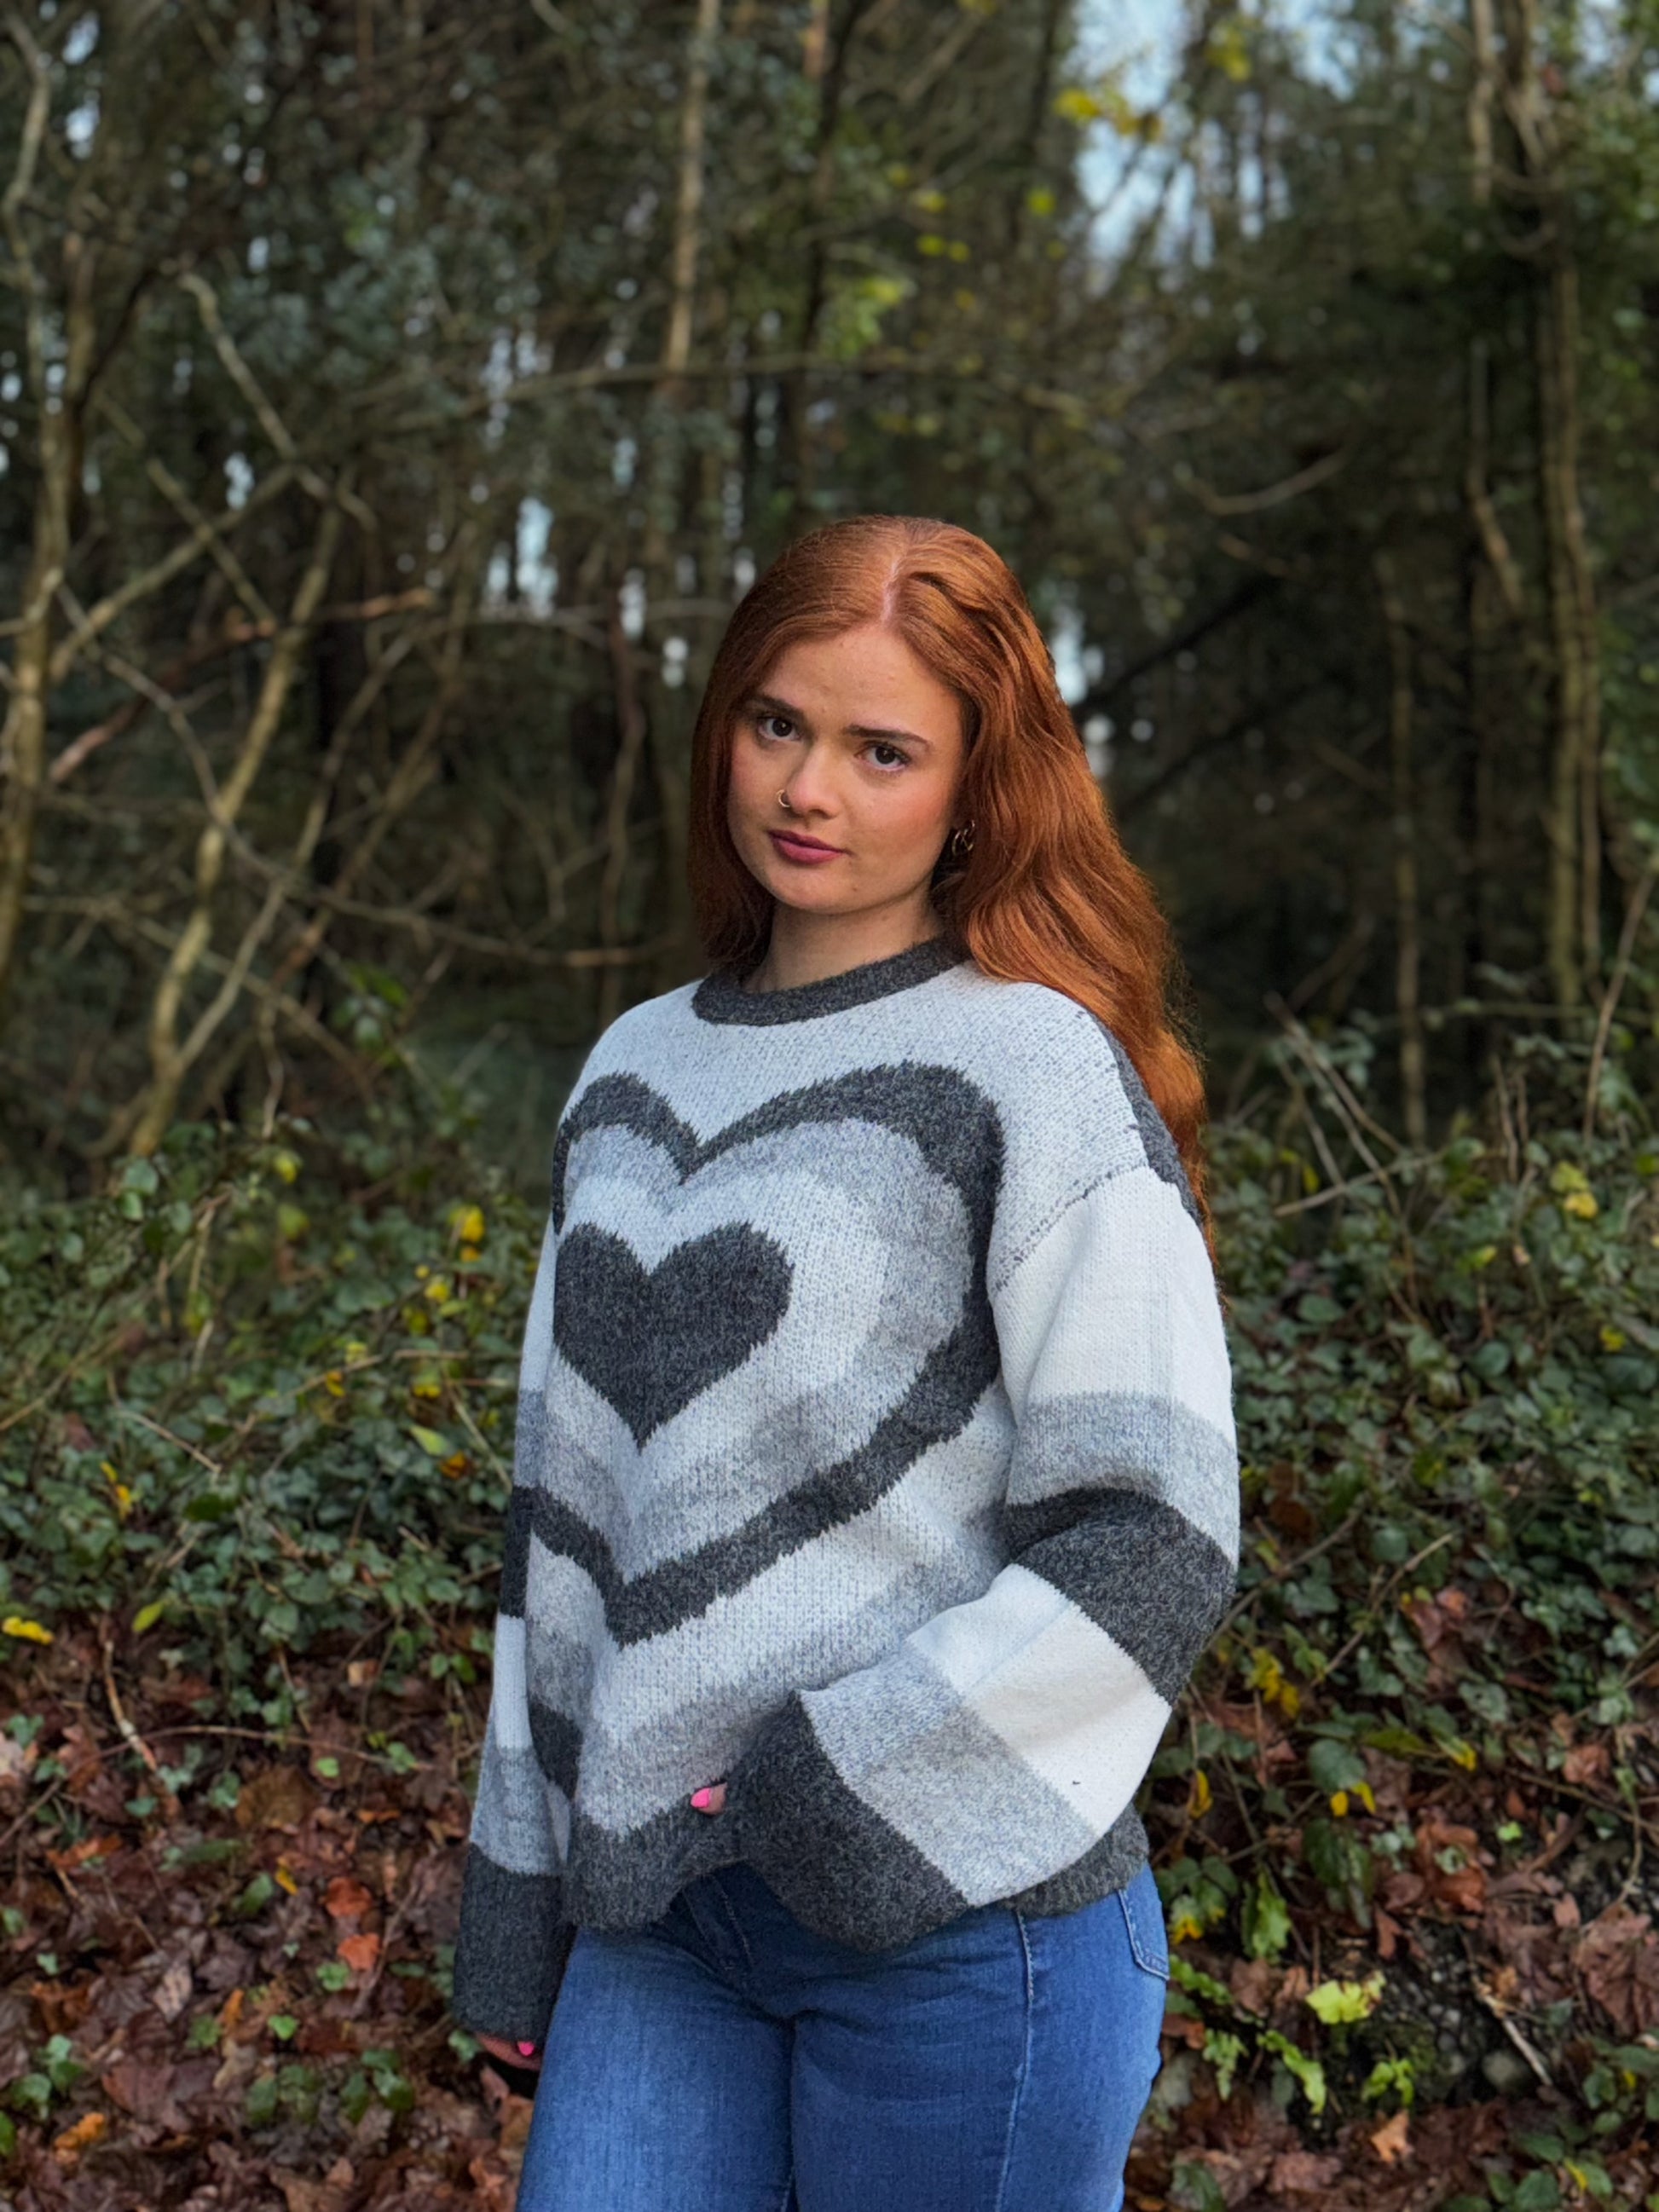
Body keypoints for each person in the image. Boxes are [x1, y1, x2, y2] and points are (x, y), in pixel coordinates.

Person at [449, 515, 1239, 2212]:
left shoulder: (1030, 1070)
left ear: (975, 789)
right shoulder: (630, 1071)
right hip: (664, 1927)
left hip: (964, 1931)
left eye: (883, 750)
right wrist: (520, 1901)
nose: (810, 789)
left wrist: (831, 1786)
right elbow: (562, 1522)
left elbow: (1152, 1527)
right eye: (777, 724)